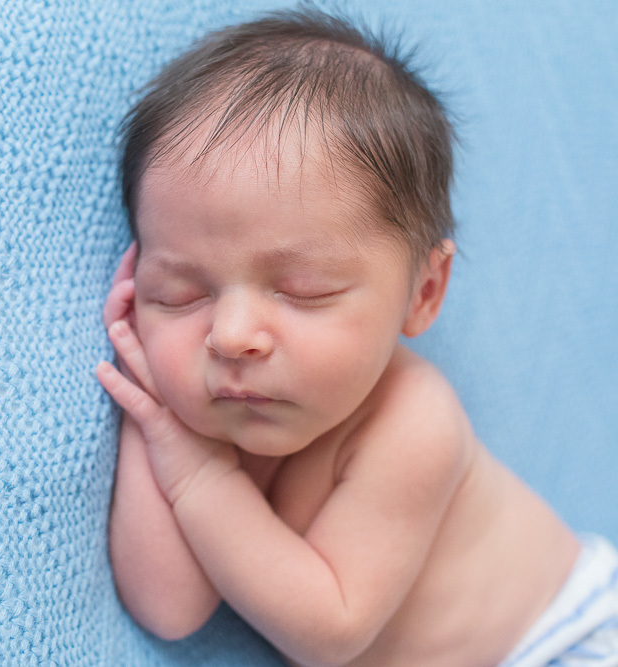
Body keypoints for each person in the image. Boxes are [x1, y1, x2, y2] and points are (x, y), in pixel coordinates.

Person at [94, 8, 618, 666]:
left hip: (565, 636)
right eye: (181, 293)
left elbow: (330, 627)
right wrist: (157, 416)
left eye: (303, 289)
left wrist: (198, 475)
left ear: (424, 292)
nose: (229, 335)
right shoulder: (225, 408)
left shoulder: (413, 423)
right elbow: (168, 607)